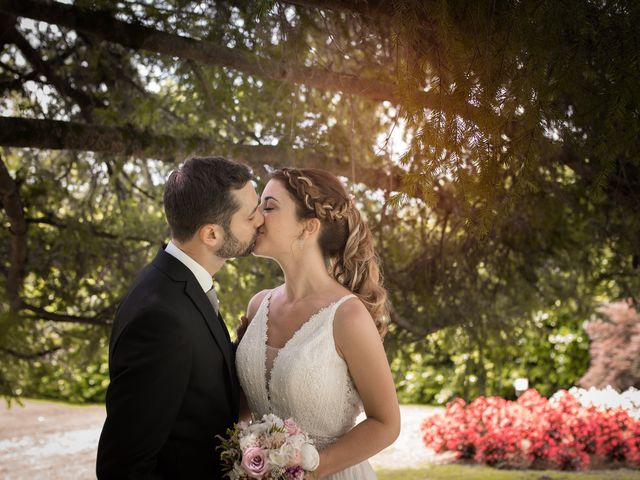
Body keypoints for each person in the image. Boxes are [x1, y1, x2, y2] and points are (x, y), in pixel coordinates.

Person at [96, 156, 264, 479]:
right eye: (250, 215)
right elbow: (123, 467)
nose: (260, 220)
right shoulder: (160, 317)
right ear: (211, 235)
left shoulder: (180, 284)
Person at [235, 167, 400, 479]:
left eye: (269, 206)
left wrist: (306, 473)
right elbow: (244, 407)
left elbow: (386, 423)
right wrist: (245, 454)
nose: (256, 216)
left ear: (308, 227)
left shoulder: (347, 316)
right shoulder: (258, 306)